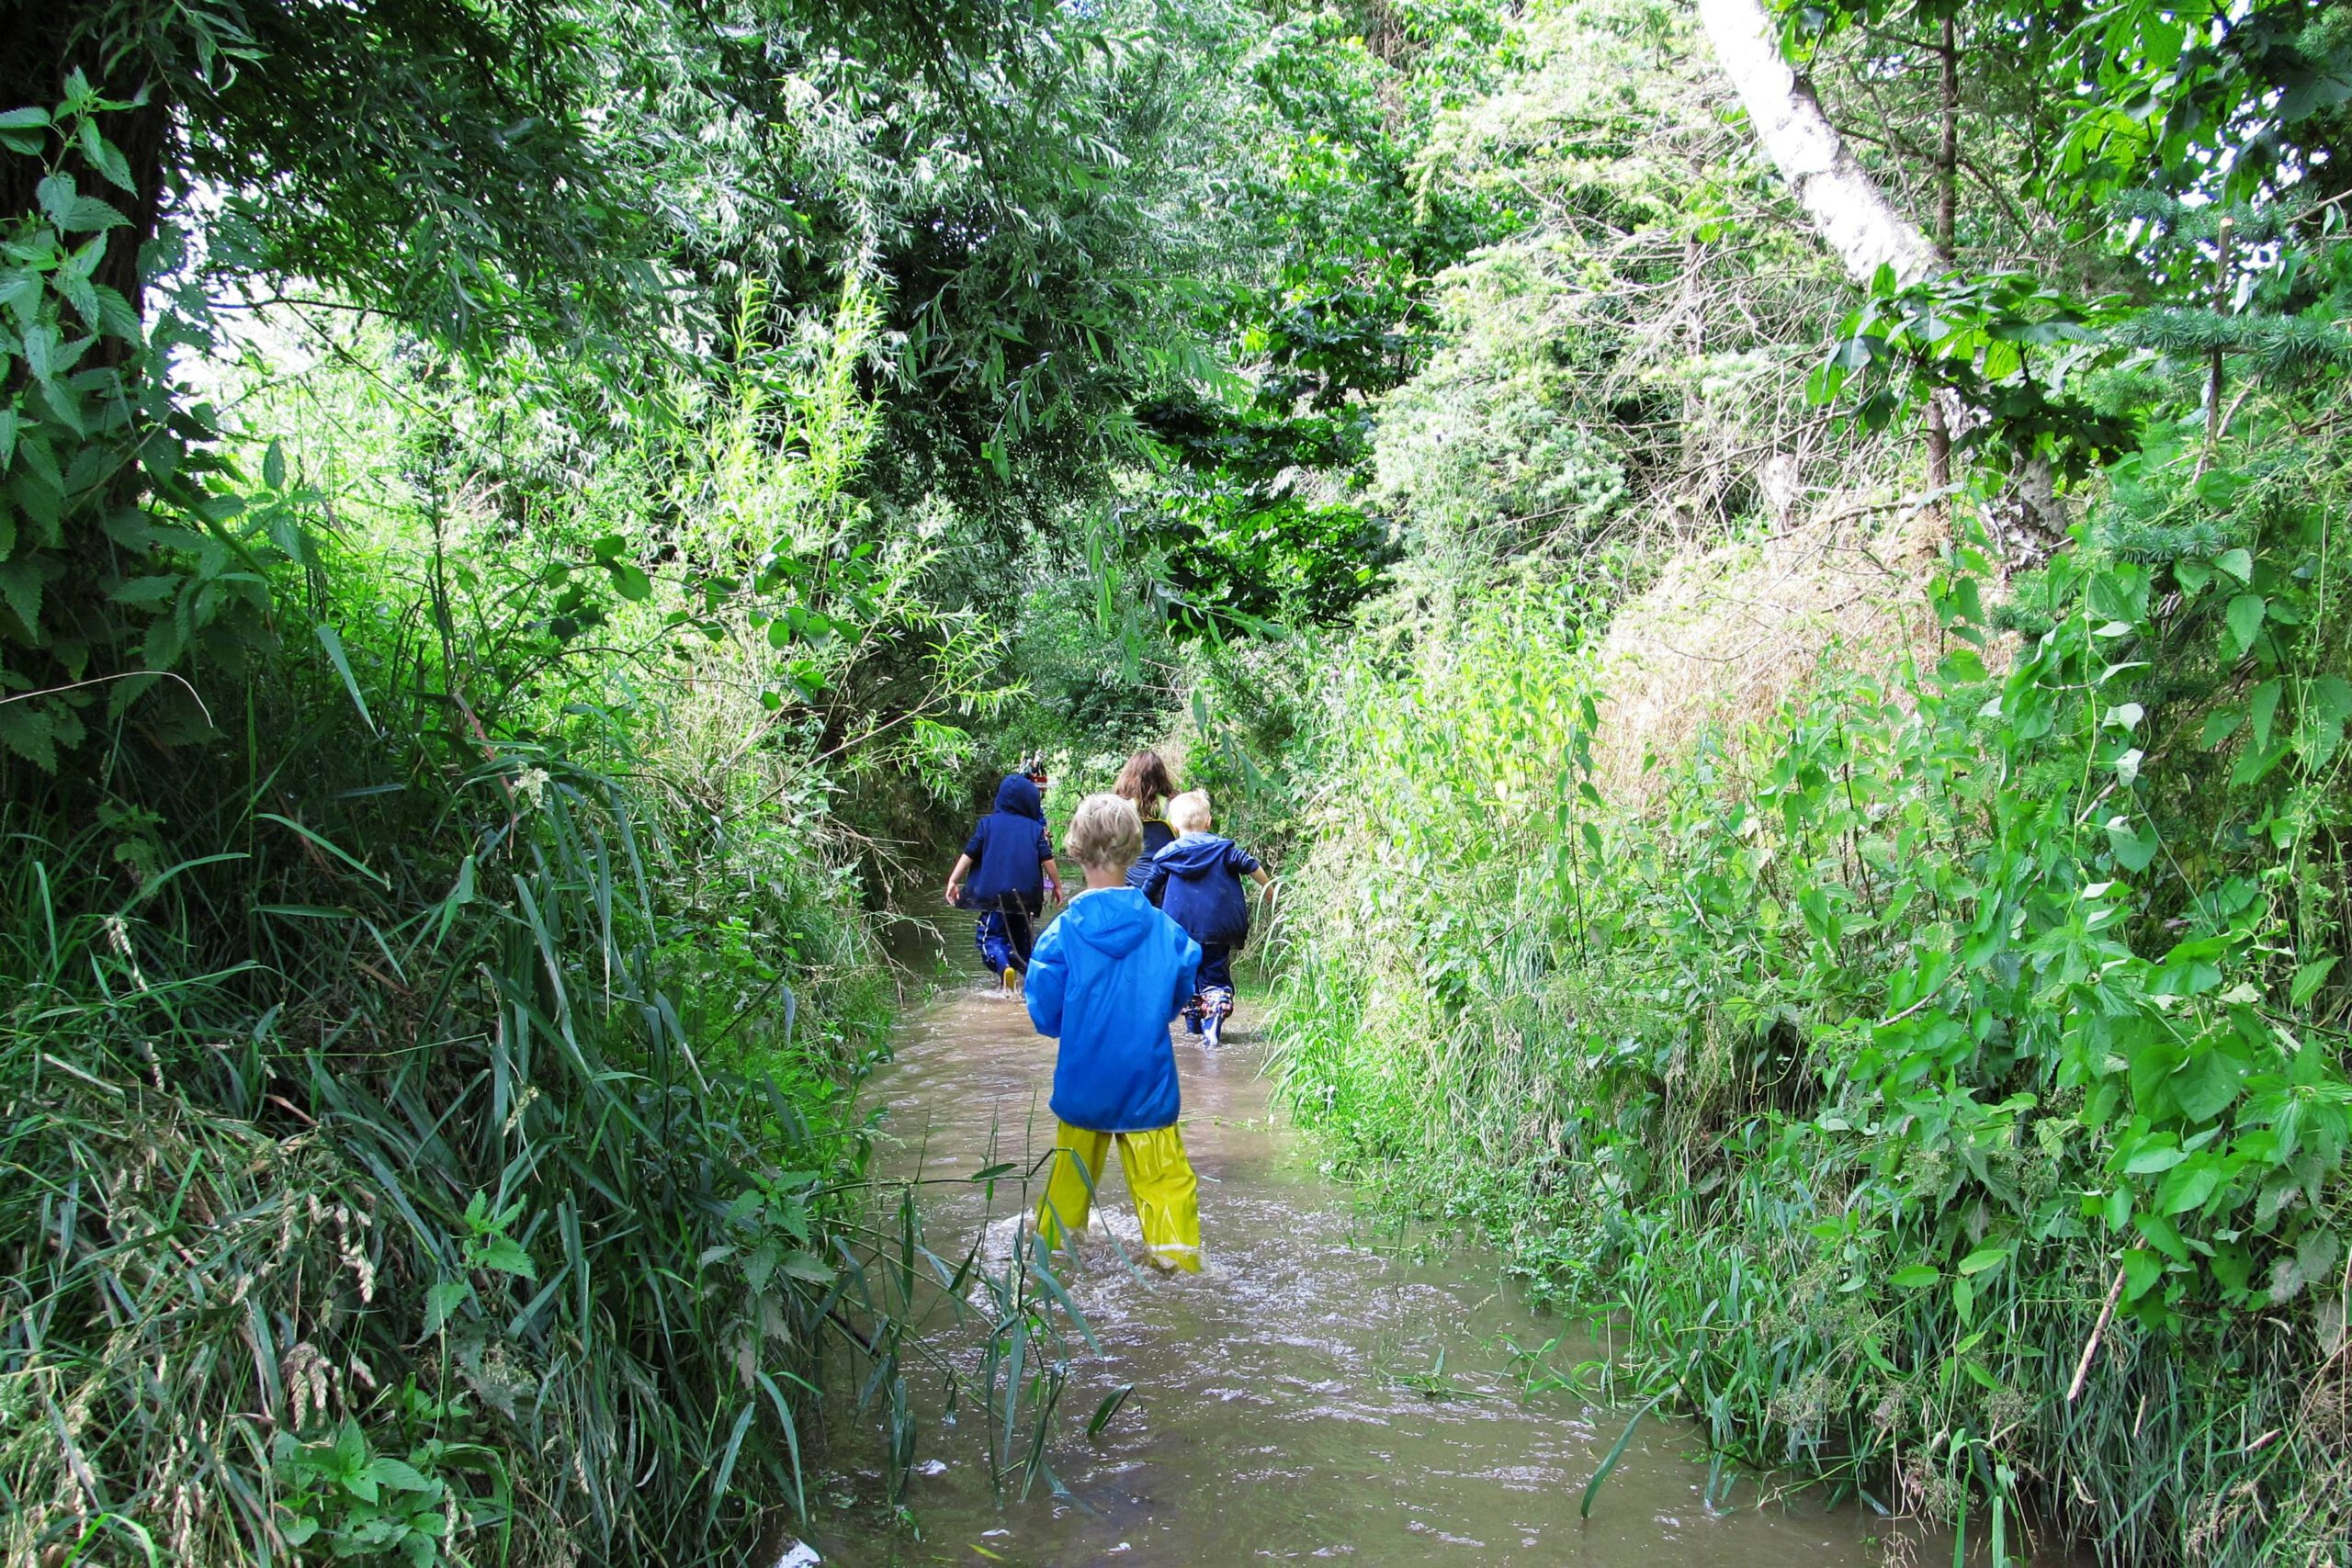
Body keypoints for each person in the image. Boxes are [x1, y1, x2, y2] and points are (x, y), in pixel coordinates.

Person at [1024, 793, 1204, 1272]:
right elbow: (1174, 998)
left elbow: (1045, 1015)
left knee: (1067, 1184)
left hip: (1084, 1082)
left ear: (1075, 851)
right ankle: (1177, 1267)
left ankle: (1051, 1260)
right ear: (1135, 851)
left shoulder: (1060, 935)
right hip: (1147, 1083)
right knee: (1166, 1184)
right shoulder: (1167, 932)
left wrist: (1080, 1026)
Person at [1143, 789, 1272, 1047]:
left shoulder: (1168, 855)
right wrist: (1269, 889)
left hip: (1179, 930)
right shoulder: (1224, 850)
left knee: (1186, 975)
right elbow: (1250, 864)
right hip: (1219, 929)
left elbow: (1149, 887)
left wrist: (1138, 913)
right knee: (1214, 974)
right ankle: (1212, 1023)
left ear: (1174, 825)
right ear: (1208, 822)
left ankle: (1193, 1026)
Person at [944, 773, 1062, 990]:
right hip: (1025, 899)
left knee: (989, 940)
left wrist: (953, 880)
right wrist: (1057, 886)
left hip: (994, 897)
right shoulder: (1035, 829)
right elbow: (1047, 859)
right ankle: (1032, 983)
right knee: (1023, 946)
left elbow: (969, 855)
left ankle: (1003, 967)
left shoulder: (987, 824)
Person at [1113, 750, 1180, 903]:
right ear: (1161, 775)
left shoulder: (1120, 808)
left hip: (1131, 883)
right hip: (1168, 883)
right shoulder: (1175, 806)